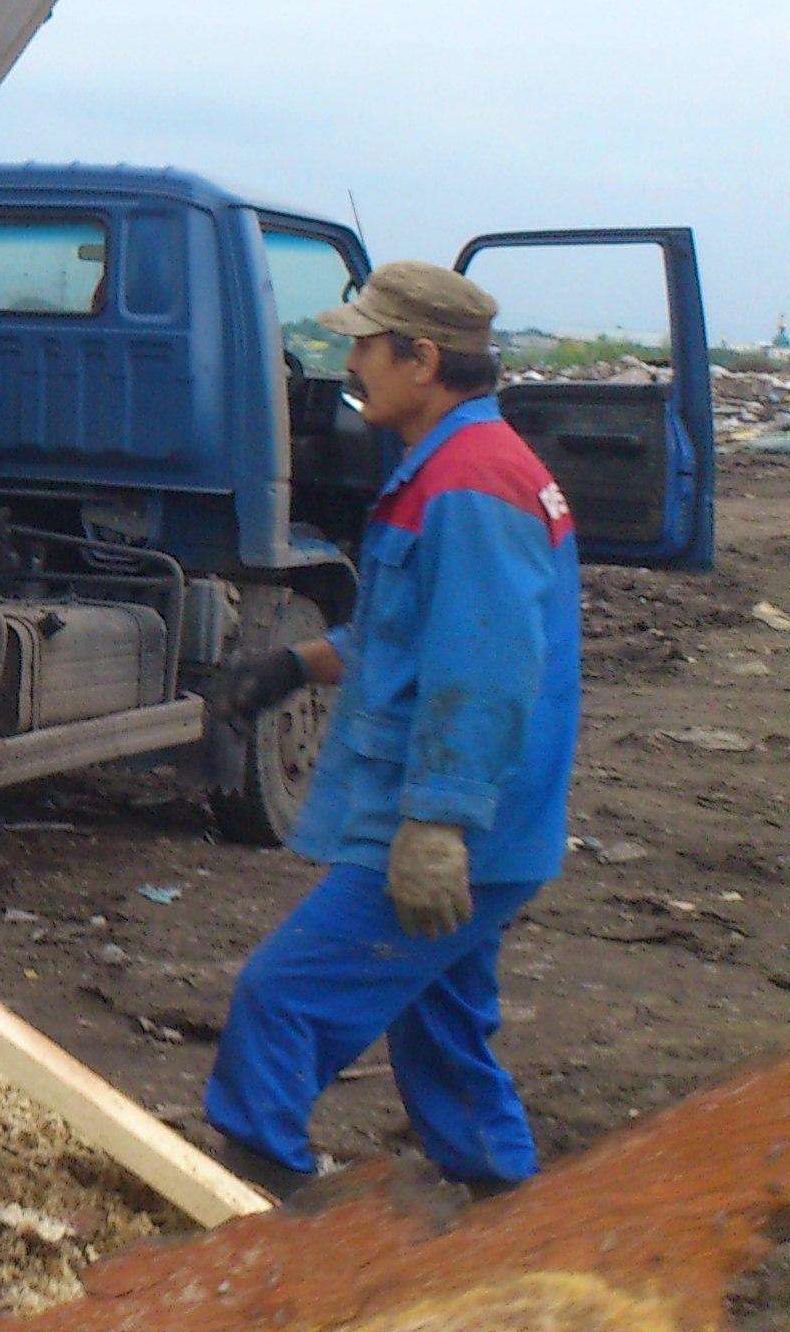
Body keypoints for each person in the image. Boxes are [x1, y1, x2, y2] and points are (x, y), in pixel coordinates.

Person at [200, 258, 580, 1197]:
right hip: (490, 825)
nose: (348, 362)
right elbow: (404, 636)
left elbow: (483, 673)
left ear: (421, 359)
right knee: (440, 1022)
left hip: (453, 828)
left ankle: (263, 1198)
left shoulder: (472, 485)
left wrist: (438, 825)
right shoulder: (457, 468)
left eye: (363, 345)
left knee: (281, 999)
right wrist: (294, 664)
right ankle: (504, 1208)